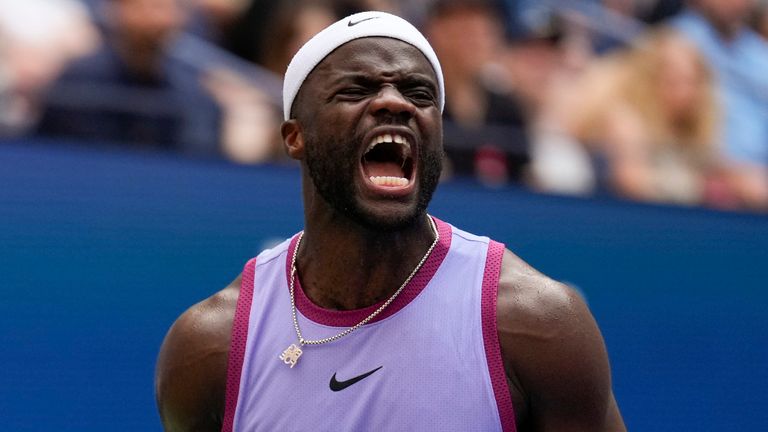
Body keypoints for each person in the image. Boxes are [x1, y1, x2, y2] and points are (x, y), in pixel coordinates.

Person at [155, 11, 625, 431]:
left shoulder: (537, 324)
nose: (394, 103)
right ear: (295, 136)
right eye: (355, 90)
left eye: (419, 93)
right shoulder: (210, 347)